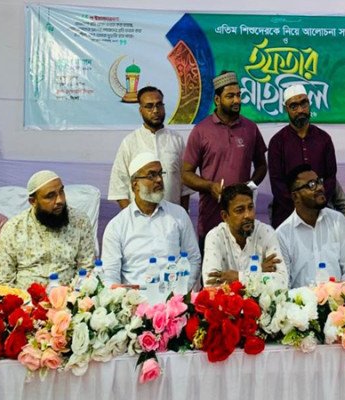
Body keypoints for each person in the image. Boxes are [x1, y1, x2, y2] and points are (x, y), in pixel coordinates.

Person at [182, 71, 268, 250]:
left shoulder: (250, 128)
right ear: (217, 99)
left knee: (246, 267)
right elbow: (186, 173)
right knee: (212, 267)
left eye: (238, 95)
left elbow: (261, 165)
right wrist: (210, 186)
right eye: (230, 96)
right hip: (211, 219)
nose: (236, 100)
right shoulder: (201, 131)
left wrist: (250, 186)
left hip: (242, 220)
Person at [102, 153, 201, 290]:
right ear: (135, 184)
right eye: (151, 175)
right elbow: (109, 275)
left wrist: (181, 292)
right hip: (134, 299)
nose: (159, 180)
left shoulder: (178, 215)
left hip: (174, 295)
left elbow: (193, 259)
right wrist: (123, 298)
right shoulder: (117, 226)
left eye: (160, 174)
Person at [0, 171, 95, 288]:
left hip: (69, 295)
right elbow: (2, 281)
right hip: (24, 297)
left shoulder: (79, 222)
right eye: (50, 196)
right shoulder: (14, 228)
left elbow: (87, 269)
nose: (60, 200)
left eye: (61, 191)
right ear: (33, 202)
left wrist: (73, 295)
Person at [268, 84, 345, 228]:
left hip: (321, 212)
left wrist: (316, 204)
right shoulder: (277, 142)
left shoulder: (324, 139)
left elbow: (330, 178)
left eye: (303, 104)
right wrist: (300, 208)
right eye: (294, 106)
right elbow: (277, 184)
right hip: (287, 217)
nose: (300, 110)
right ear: (286, 109)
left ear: (309, 104)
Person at [108, 86, 192, 211]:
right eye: (149, 106)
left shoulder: (176, 140)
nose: (155, 110)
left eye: (159, 105)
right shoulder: (129, 142)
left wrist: (182, 215)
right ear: (140, 110)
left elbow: (185, 186)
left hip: (172, 217)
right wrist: (132, 218)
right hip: (140, 219)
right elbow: (119, 187)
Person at [277, 164, 345, 288]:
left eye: (319, 182)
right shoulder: (282, 234)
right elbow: (284, 283)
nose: (320, 187)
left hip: (339, 298)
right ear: (295, 196)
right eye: (311, 185)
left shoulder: (337, 220)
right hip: (300, 299)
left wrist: (343, 295)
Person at [202, 184, 287, 286]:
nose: (248, 215)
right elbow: (210, 284)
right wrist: (259, 270)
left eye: (250, 207)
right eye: (240, 210)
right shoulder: (215, 237)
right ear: (225, 216)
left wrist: (238, 277)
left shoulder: (266, 232)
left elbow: (282, 282)